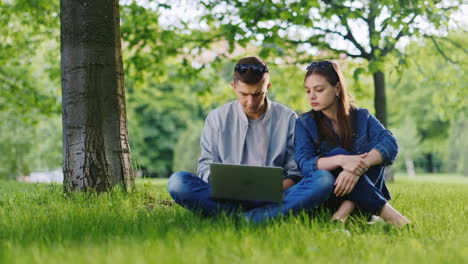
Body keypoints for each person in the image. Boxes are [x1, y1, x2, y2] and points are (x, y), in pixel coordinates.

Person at [168, 56, 335, 223]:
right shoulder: (216, 118)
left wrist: (274, 190)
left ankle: (235, 218)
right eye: (244, 94)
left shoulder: (288, 117)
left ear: (267, 87)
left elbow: (295, 170)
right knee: (178, 182)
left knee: (323, 179)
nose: (250, 102)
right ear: (233, 87)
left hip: (276, 196)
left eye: (257, 94)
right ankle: (264, 217)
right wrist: (227, 187)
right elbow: (205, 167)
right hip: (227, 197)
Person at [295, 60, 410, 228]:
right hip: (328, 198)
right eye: (308, 91)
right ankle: (391, 216)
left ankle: (341, 217)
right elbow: (305, 164)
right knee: (337, 154)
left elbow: (390, 144)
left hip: (361, 200)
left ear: (337, 89)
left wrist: (356, 168)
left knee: (373, 155)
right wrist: (342, 160)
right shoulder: (305, 123)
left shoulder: (362, 116)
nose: (312, 96)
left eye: (319, 90)